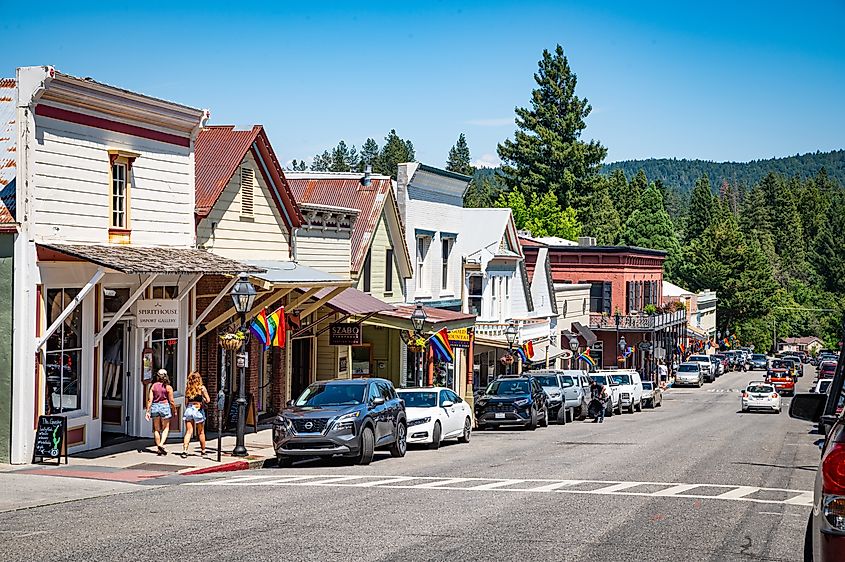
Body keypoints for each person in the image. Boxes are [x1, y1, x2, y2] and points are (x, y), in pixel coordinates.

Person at [145, 369, 176, 455]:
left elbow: (149, 400)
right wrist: (174, 410)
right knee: (166, 428)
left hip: (155, 406)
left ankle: (158, 448)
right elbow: (172, 401)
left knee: (156, 429)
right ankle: (161, 444)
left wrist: (147, 410)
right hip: (164, 406)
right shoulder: (168, 387)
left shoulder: (153, 386)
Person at [181, 371, 210, 458]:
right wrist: (203, 399)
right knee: (201, 432)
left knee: (189, 431)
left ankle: (185, 450)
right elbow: (208, 400)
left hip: (189, 409)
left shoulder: (188, 389)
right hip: (198, 409)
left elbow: (186, 402)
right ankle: (203, 450)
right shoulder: (202, 388)